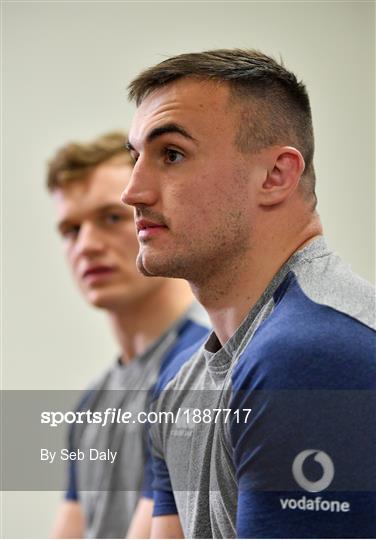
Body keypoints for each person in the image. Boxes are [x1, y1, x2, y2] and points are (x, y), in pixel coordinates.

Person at [122, 50, 376, 538]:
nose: (132, 191)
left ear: (276, 176)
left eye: (171, 154)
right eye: (135, 158)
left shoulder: (312, 356)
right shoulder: (178, 390)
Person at [46, 131, 210, 538]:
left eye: (111, 217)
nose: (86, 246)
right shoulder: (91, 403)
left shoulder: (201, 371)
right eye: (70, 229)